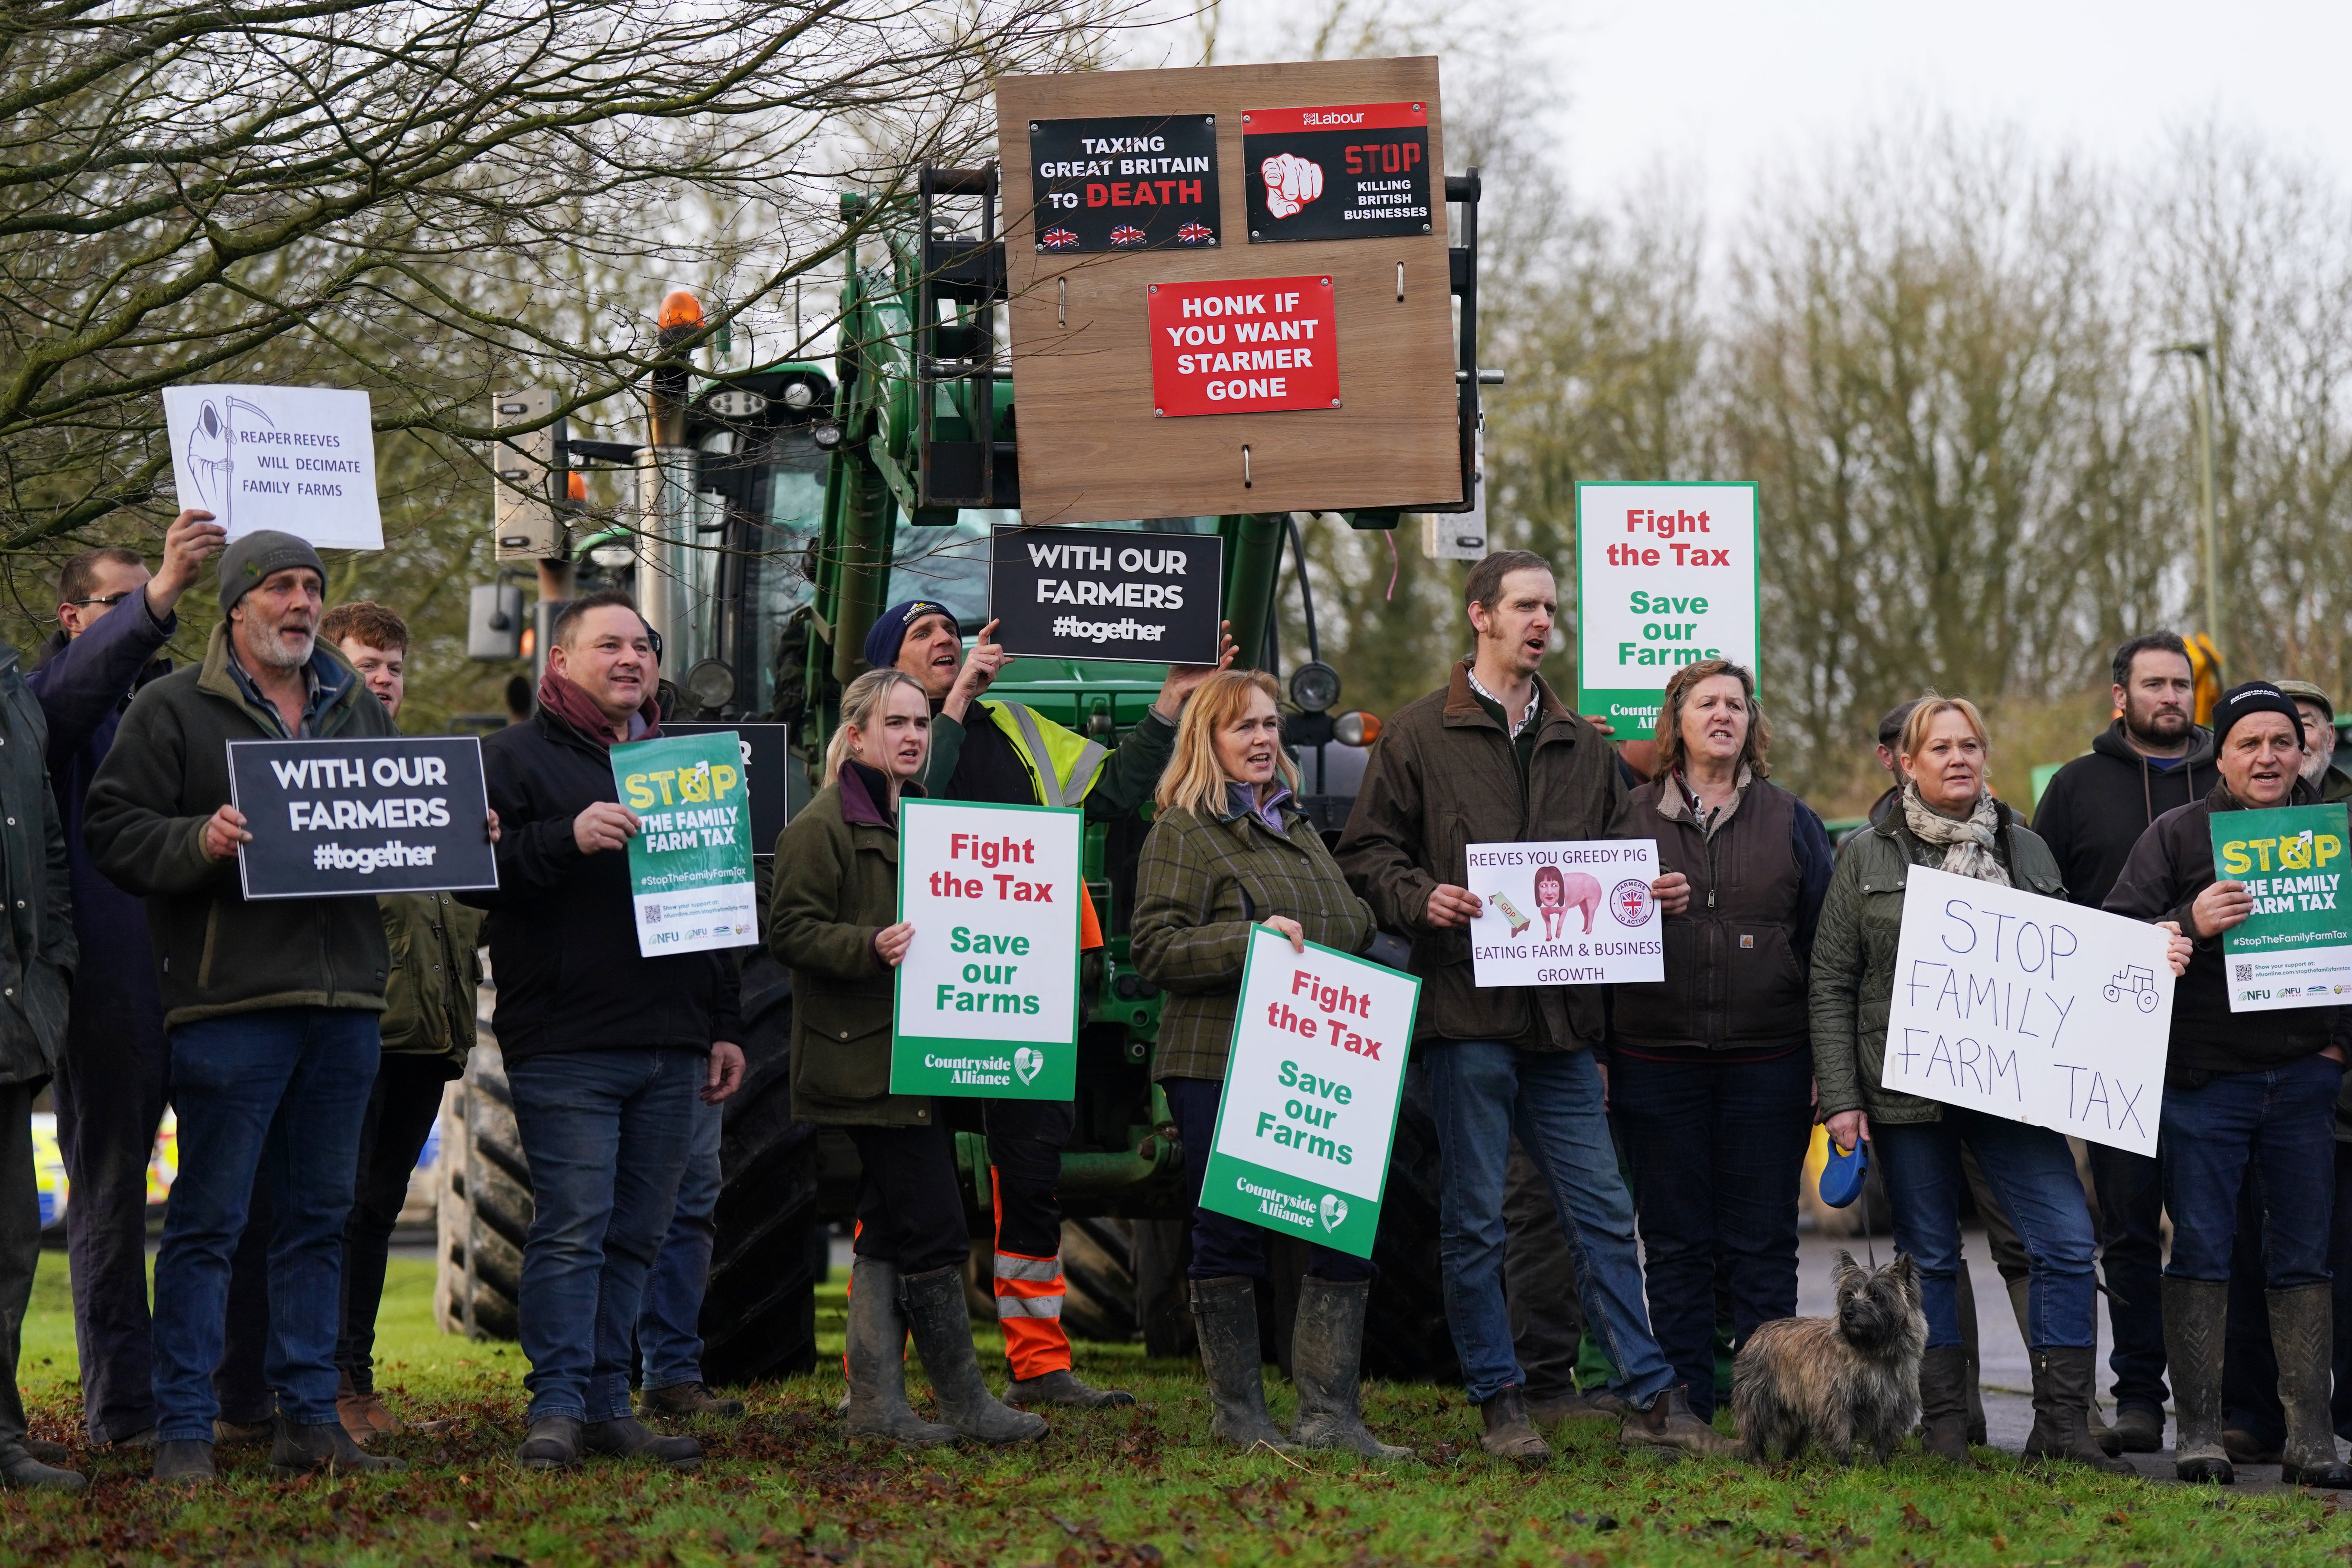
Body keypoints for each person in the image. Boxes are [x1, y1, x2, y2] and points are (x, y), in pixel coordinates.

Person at [1334, 550, 1723, 1465]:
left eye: (1551, 606)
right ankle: (1500, 1399)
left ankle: (1650, 1394)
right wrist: (1416, 894)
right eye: (1525, 606)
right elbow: (1366, 853)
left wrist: (1648, 891)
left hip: (1560, 1026)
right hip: (1468, 1017)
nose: (1542, 621)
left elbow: (1622, 857)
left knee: (1598, 1206)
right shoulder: (1421, 736)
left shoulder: (1582, 747)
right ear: (1481, 615)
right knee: (1474, 1217)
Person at [83, 531, 407, 1483]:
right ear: (236, 606)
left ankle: (308, 1417)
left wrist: (453, 831)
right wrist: (199, 839)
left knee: (318, 1218)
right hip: (229, 1004)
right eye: (280, 588)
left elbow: (395, 822)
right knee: (211, 1221)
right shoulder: (172, 705)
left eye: (312, 587)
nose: (301, 603)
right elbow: (112, 828)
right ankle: (186, 1428)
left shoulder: (355, 710)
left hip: (346, 1001)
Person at [1812, 693, 2178, 1474]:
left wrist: (2147, 956)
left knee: (2067, 1241)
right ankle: (1945, 1425)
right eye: (1939, 746)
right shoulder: (1866, 857)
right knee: (1933, 1257)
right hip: (1906, 1096)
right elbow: (1831, 981)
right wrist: (1842, 1099)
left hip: (2019, 1094)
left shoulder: (2028, 848)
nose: (1958, 757)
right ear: (1905, 762)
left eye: (1970, 744)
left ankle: (2062, 1425)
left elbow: (2076, 958)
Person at [879, 596, 1230, 1409]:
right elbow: (912, 804)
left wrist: (1172, 701)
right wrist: (955, 702)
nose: (946, 641)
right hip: (920, 985)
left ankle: (1041, 1364)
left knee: (1030, 1175)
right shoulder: (878, 737)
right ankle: (883, 1369)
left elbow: (1111, 792)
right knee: (904, 1177)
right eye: (922, 634)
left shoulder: (1021, 728)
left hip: (1028, 982)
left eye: (950, 631)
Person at [459, 591, 744, 1472]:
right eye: (609, 644)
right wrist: (565, 836)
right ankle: (554, 1407)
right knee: (574, 1224)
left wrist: (724, 1022)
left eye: (643, 646)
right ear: (559, 658)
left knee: (639, 1231)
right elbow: (474, 875)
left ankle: (609, 1405)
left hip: (673, 1041)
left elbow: (718, 903)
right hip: (570, 1041)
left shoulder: (687, 766)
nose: (631, 658)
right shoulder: (508, 761)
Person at [1130, 668, 1409, 1459]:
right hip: (1218, 1059)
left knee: (1340, 1229)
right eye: (1242, 726)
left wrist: (1346, 927)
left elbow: (1347, 919)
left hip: (1312, 1061)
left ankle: (1331, 1416)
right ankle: (1239, 1415)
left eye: (1268, 725)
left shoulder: (1296, 825)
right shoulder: (1183, 830)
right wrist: (1247, 943)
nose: (1262, 739)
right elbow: (1154, 947)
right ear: (1207, 740)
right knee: (1230, 1233)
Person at [769, 667, 1046, 1447]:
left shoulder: (929, 816)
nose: (913, 737)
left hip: (921, 1060)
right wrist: (866, 946)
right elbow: (788, 930)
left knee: (891, 1226)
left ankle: (877, 1409)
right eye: (895, 723)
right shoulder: (820, 827)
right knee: (934, 1226)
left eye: (921, 723)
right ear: (855, 735)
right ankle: (964, 1403)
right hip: (862, 1065)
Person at [2104, 680, 2352, 1488]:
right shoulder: (2175, 835)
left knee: (2303, 1256)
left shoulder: (2335, 835)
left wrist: (2338, 1048)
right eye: (2250, 742)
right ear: (2223, 752)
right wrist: (2186, 922)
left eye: (2282, 740)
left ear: (2305, 748)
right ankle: (2201, 1432)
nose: (2268, 755)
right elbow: (2117, 949)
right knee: (2204, 1248)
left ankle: (2312, 1439)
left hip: (2306, 1082)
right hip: (2204, 1083)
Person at [26, 509, 223, 1452]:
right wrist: (160, 596)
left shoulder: (172, 704)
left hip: (206, 980)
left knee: (225, 1200)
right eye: (123, 601)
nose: (156, 615)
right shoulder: (46, 705)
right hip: (107, 992)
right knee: (108, 1198)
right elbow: (72, 691)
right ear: (75, 617)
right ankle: (125, 1412)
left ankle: (223, 1395)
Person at [1608, 659, 1832, 1425]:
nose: (1723, 714)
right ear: (1678, 719)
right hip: (1654, 1058)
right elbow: (1589, 939)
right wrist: (1602, 1052)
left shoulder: (1790, 817)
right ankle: (1683, 1414)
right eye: (1706, 702)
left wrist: (1821, 1064)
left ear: (1751, 722)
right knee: (1675, 1246)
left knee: (1763, 1245)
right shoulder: (1627, 816)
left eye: (1736, 703)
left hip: (1768, 1063)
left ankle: (1767, 1414)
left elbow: (1824, 947)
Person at [2029, 631, 2212, 1454]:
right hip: (2113, 1050)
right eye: (2155, 683)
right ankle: (2139, 1393)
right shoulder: (2074, 788)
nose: (2171, 695)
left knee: (2221, 1227)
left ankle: (2237, 1403)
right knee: (2130, 1229)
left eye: (2182, 683)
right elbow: (2040, 910)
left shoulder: (2234, 780)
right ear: (2121, 697)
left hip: (2222, 1047)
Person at [316, 602, 486, 1444]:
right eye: (364, 664)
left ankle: (358, 1372)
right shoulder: (311, 769)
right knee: (334, 1208)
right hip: (352, 1032)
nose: (382, 680)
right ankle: (325, 1385)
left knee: (377, 1209)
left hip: (424, 1036)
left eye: (394, 667)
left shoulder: (436, 775)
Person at [2279, 680, 2352, 803]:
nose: (2294, 740)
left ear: (2330, 738)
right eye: (2280, 727)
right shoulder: (2236, 811)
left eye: (2305, 725)